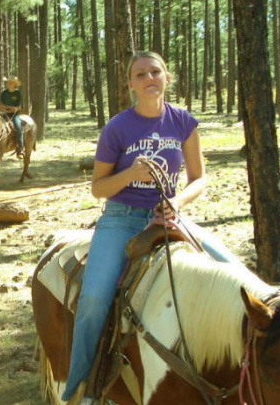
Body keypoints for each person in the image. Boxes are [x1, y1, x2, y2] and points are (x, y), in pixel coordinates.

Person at [62, 51, 238, 401]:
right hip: (122, 219)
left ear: (167, 78)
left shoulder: (183, 122)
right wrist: (130, 174)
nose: (149, 79)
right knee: (94, 299)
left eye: (155, 72)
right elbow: (98, 188)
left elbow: (199, 178)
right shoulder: (117, 127)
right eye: (140, 74)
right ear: (130, 84)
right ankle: (82, 386)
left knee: (233, 271)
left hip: (170, 217)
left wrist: (177, 202)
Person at [0, 76, 24, 157]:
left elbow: (18, 107)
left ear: (14, 84)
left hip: (15, 115)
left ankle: (20, 148)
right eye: (8, 82)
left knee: (18, 128)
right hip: (4, 114)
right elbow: (1, 105)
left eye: (11, 82)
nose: (9, 84)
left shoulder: (18, 93)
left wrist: (10, 108)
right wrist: (10, 108)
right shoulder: (4, 93)